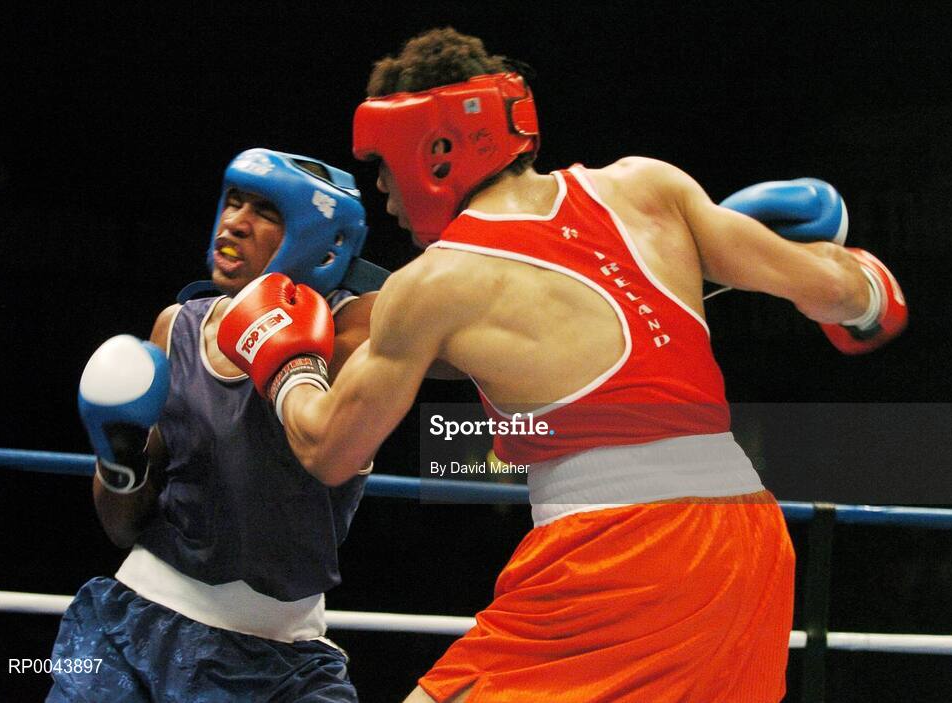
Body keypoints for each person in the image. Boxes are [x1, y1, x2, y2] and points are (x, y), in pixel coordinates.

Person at [217, 29, 907, 703]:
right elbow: (846, 293)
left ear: (431, 150)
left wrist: (281, 361)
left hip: (622, 556)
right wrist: (867, 294)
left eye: (381, 163)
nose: (381, 188)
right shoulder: (649, 188)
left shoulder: (435, 283)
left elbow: (332, 448)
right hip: (750, 544)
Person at [48, 149, 376, 702]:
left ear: (326, 241)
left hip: (282, 661)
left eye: (266, 210)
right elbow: (123, 527)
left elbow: (445, 316)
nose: (234, 223)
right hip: (135, 628)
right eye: (233, 200)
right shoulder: (176, 327)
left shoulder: (357, 333)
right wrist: (118, 462)